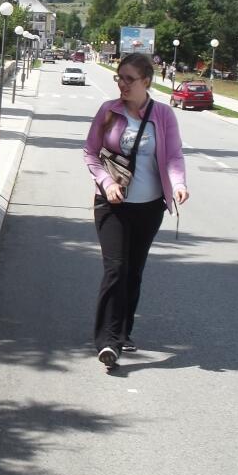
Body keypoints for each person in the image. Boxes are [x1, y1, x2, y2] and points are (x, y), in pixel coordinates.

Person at [83, 52, 189, 370]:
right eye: (119, 77)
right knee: (115, 269)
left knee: (133, 271)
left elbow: (173, 156)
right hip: (111, 205)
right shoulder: (108, 111)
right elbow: (90, 152)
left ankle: (124, 329)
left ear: (146, 81)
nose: (122, 84)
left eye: (129, 79)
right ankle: (107, 341)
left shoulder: (164, 116)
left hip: (149, 207)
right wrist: (105, 182)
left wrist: (179, 183)